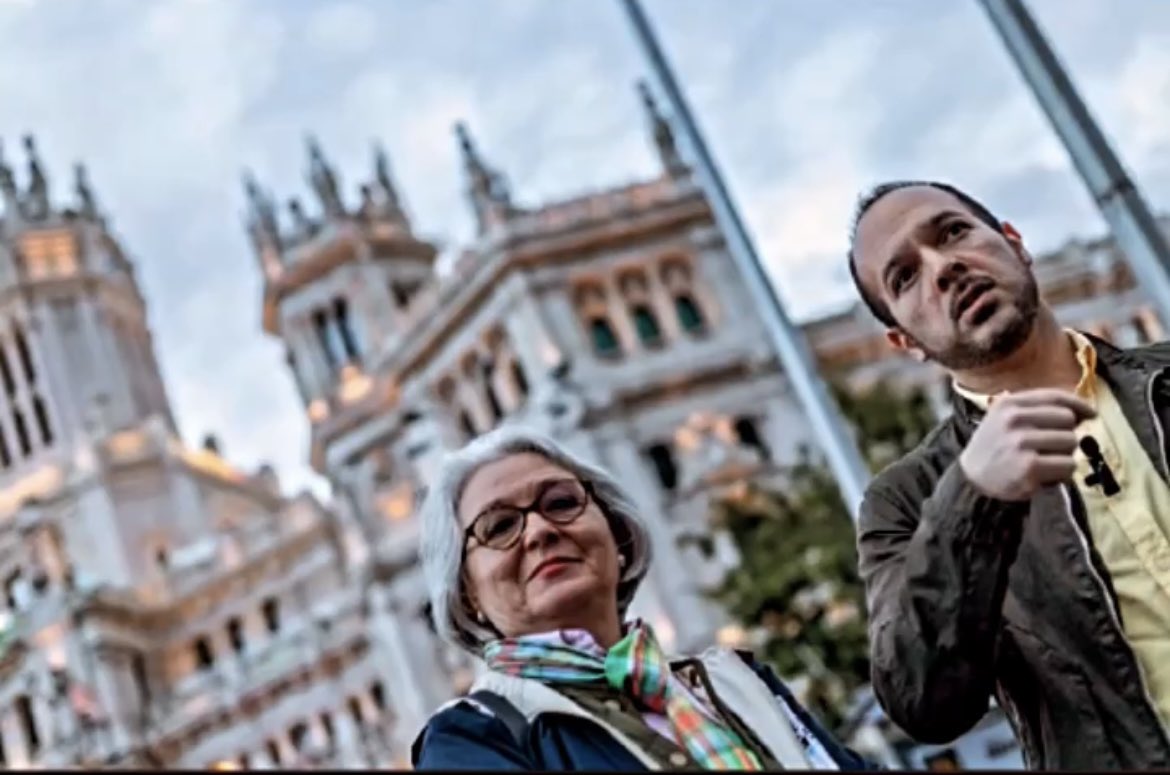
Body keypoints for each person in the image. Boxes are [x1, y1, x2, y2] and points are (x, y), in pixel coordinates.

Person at [847, 179, 1170, 769]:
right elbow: (924, 701)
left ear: (1015, 243)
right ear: (905, 341)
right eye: (905, 277)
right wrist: (974, 502)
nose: (943, 267)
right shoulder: (906, 502)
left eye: (952, 232)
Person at [411, 426, 871, 770]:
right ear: (466, 591)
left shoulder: (738, 680)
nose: (540, 531)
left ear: (616, 533)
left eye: (561, 503)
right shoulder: (473, 738)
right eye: (499, 527)